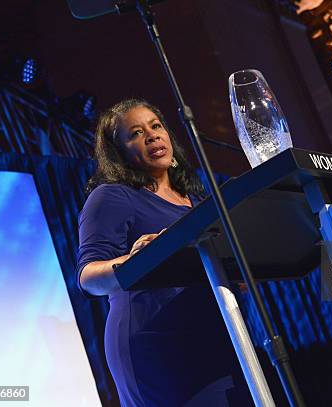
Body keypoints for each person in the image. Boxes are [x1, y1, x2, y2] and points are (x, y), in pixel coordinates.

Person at [76, 98, 250, 406]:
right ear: (121, 152)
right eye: (136, 133)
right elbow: (89, 277)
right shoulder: (112, 197)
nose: (152, 135)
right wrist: (134, 261)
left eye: (156, 126)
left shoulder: (195, 200)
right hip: (157, 345)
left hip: (218, 338)